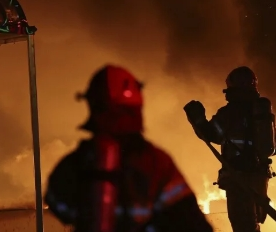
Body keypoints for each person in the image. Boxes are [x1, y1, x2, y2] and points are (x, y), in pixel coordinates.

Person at [44, 65, 213, 232]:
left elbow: (57, 205)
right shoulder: (157, 163)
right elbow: (193, 222)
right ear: (136, 107)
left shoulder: (76, 162)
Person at [184, 66, 276, 232]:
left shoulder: (229, 112)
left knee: (242, 224)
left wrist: (198, 119)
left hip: (237, 177)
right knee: (252, 223)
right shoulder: (262, 113)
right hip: (259, 178)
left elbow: (212, 135)